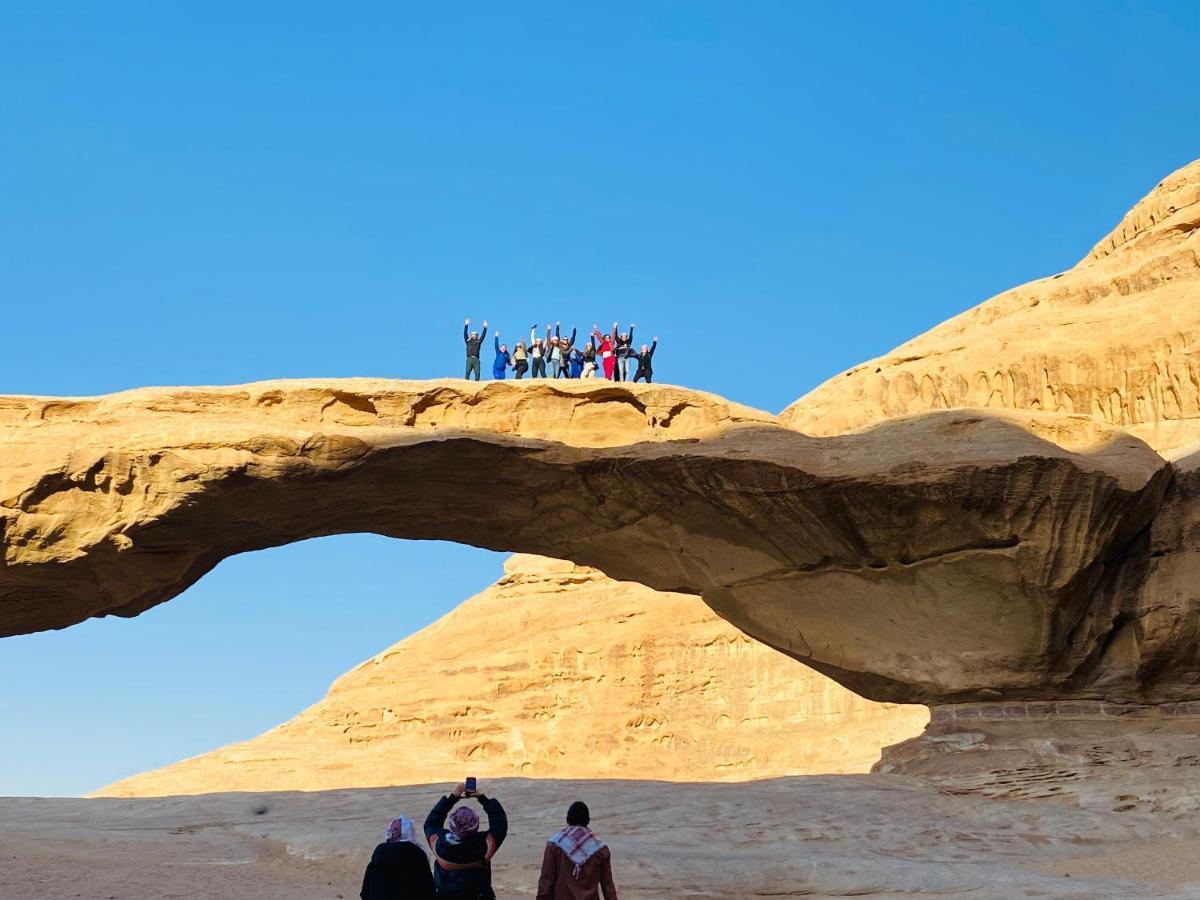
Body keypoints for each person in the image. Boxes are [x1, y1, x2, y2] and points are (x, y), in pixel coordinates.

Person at [423, 782, 508, 900]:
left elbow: (431, 823)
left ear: (452, 826)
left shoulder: (439, 844)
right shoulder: (486, 845)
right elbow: (500, 822)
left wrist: (451, 799)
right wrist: (482, 798)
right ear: (476, 826)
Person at [535, 801, 618, 900]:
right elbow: (608, 888)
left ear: (567, 819)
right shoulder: (600, 849)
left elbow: (545, 884)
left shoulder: (554, 845)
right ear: (588, 820)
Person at [360, 815, 436, 900]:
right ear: (410, 833)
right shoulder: (416, 853)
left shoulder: (378, 854)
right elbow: (429, 890)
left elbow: (364, 893)